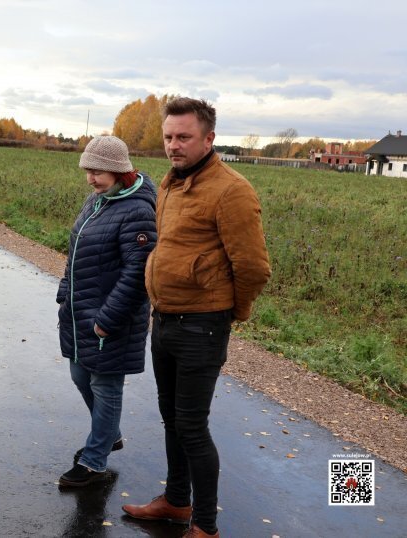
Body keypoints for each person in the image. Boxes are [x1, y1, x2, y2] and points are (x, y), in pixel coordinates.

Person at [122, 97, 271, 538]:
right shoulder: (170, 183)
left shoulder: (231, 190)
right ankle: (176, 501)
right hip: (165, 319)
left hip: (203, 325)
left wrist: (232, 312)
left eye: (183, 137)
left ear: (209, 139)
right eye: (169, 136)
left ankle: (205, 525)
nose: (173, 145)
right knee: (171, 418)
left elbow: (254, 267)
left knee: (191, 424)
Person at [56, 135, 156, 487]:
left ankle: (95, 461)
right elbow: (75, 249)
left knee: (106, 385)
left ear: (117, 170)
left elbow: (137, 273)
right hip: (81, 309)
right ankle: (109, 434)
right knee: (80, 376)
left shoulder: (139, 210)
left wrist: (106, 321)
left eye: (97, 171)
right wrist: (63, 293)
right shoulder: (97, 200)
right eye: (88, 170)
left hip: (111, 319)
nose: (91, 179)